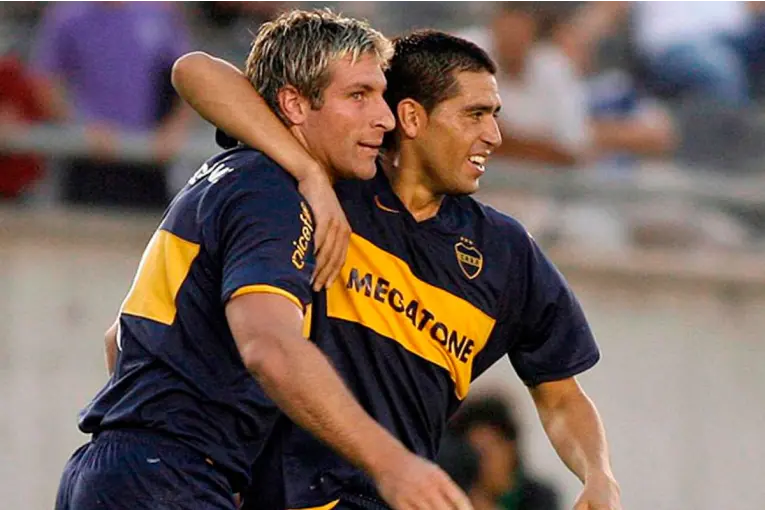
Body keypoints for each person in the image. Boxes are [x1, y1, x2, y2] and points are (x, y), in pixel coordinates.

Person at [172, 30, 622, 510]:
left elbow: (560, 396)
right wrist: (307, 173)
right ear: (410, 117)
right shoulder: (333, 183)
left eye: (495, 115)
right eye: (474, 115)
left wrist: (599, 475)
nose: (494, 135)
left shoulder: (506, 252)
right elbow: (195, 71)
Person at [55, 11, 471, 510]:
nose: (383, 118)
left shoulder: (239, 171)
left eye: (381, 96)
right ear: (294, 103)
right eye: (359, 95)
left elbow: (117, 340)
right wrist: (392, 464)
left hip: (124, 469)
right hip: (166, 479)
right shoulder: (273, 194)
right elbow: (269, 347)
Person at [449, 395, 561, 510]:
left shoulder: (539, 497)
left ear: (510, 448)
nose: (483, 461)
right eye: (475, 452)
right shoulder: (453, 492)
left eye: (489, 449)